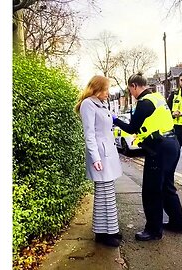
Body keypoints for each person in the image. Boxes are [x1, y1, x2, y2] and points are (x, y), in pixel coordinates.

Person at [113, 72, 182, 241]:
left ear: (134, 86)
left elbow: (131, 128)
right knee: (167, 187)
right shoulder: (157, 98)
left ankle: (153, 231)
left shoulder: (145, 103)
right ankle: (177, 223)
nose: (131, 94)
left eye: (130, 90)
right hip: (171, 144)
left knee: (151, 190)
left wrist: (114, 119)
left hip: (159, 149)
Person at [74, 75, 123, 247]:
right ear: (96, 88)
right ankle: (103, 234)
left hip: (108, 154)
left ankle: (109, 230)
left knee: (107, 194)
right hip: (100, 156)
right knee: (103, 194)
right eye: (106, 89)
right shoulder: (88, 104)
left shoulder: (102, 104)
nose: (108, 93)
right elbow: (89, 134)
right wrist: (95, 158)